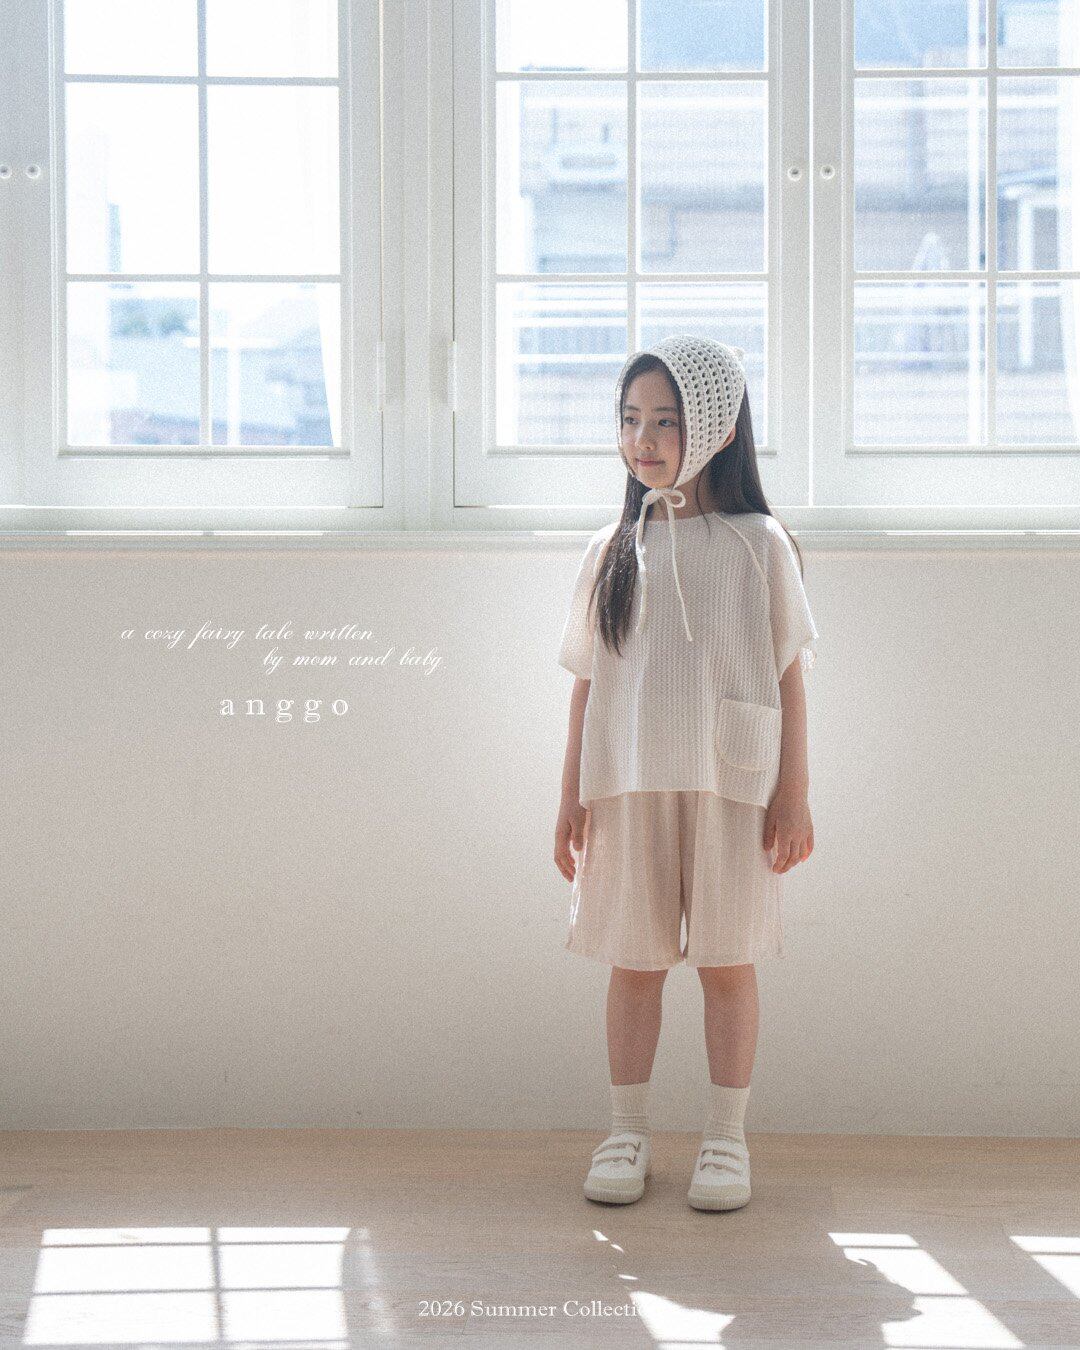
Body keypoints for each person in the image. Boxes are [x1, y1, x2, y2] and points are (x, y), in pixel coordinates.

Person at [553, 334, 819, 1212]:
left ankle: (725, 1137)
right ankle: (625, 1130)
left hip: (733, 787)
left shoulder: (759, 544)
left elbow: (788, 674)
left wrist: (794, 795)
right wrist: (569, 800)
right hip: (627, 784)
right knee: (632, 962)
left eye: (665, 421)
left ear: (714, 427)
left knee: (726, 962)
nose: (643, 439)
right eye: (630, 418)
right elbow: (587, 684)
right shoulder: (611, 548)